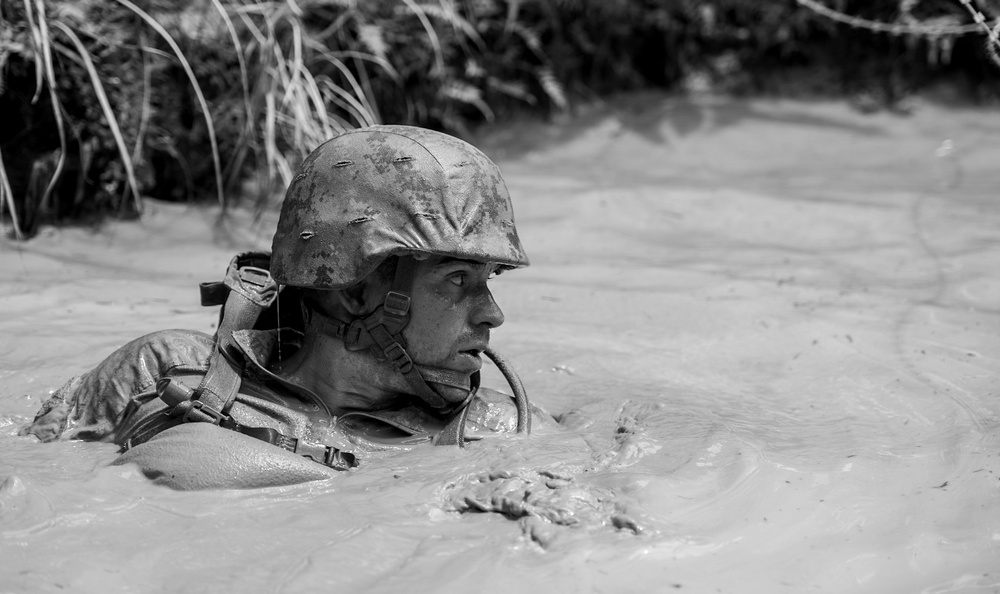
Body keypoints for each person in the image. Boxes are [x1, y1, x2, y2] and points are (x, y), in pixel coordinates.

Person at [19, 125, 537, 490]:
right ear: (354, 292)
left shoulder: (498, 428)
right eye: (458, 280)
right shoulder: (163, 373)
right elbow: (36, 482)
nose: (492, 313)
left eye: (489, 281)